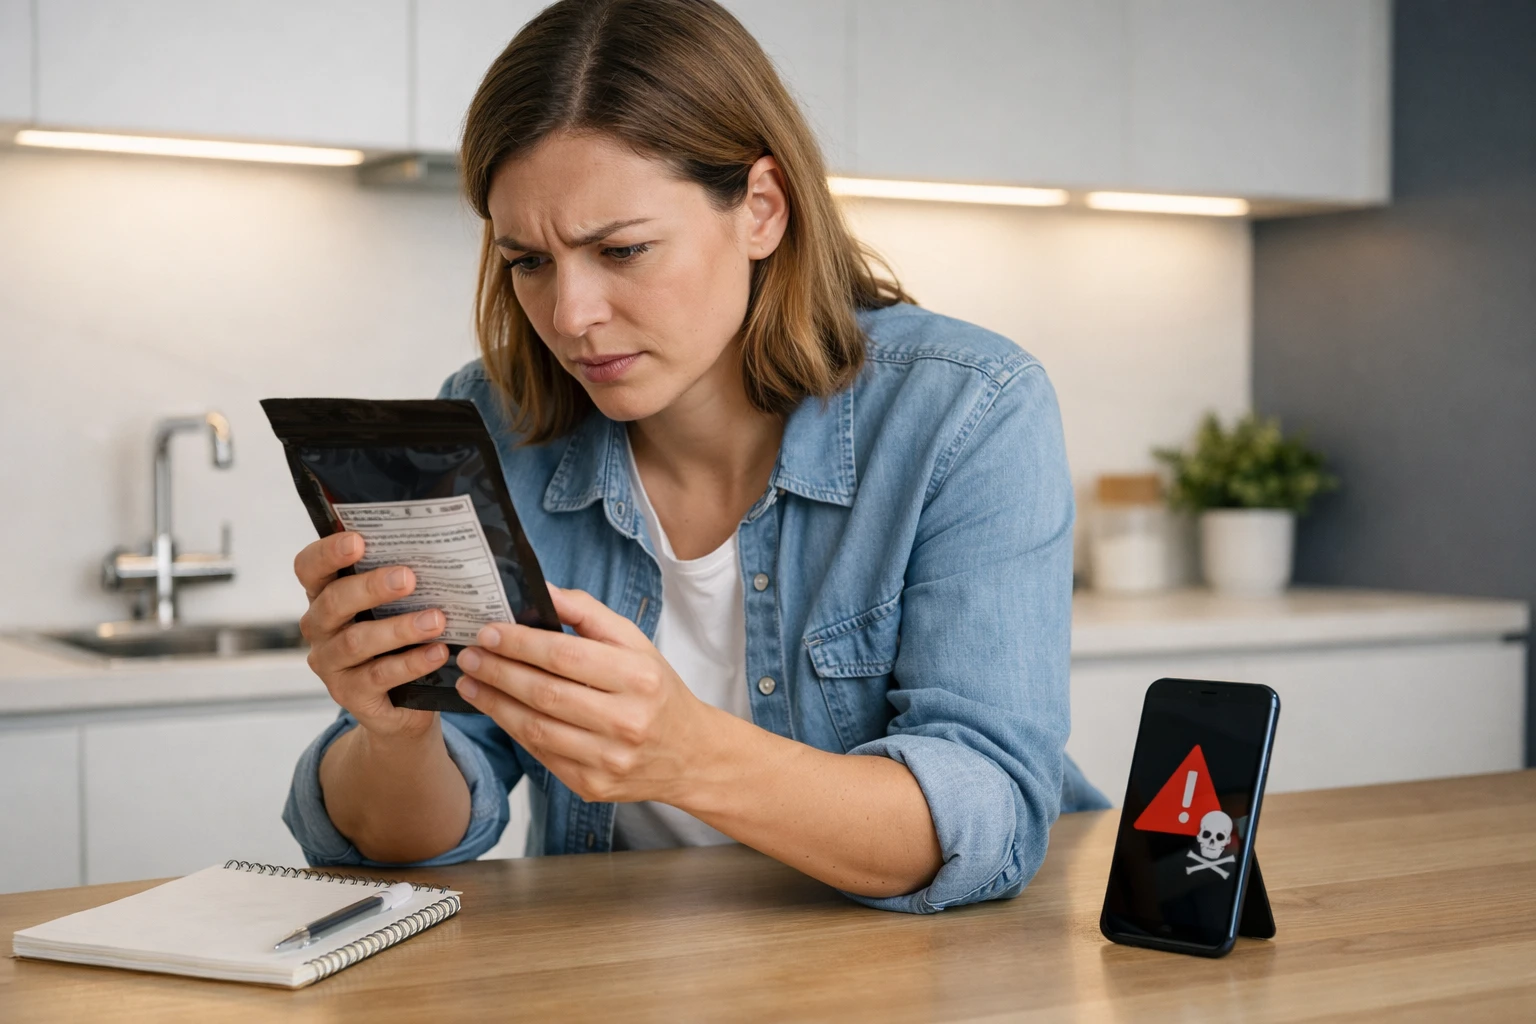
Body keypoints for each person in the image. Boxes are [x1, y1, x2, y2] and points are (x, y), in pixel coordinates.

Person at [284, 0, 1107, 914]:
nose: (569, 316)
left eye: (623, 250)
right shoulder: (494, 421)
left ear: (760, 208)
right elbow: (417, 837)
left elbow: (986, 816)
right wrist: (395, 732)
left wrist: (688, 752)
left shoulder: (967, 408)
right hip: (619, 979)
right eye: (529, 262)